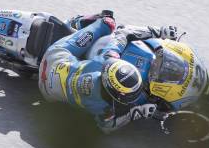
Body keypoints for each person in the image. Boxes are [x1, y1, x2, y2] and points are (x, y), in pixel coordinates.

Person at [38, 11, 181, 133]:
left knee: (106, 23)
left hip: (56, 60)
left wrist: (135, 113)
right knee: (108, 24)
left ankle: (79, 24)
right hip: (50, 87)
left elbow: (106, 125)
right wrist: (159, 32)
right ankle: (75, 23)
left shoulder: (105, 63)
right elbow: (104, 126)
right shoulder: (106, 104)